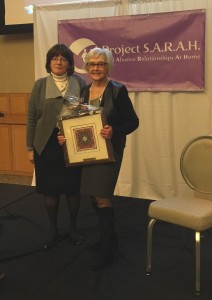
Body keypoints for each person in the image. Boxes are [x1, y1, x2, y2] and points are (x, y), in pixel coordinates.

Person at [59, 47, 139, 269]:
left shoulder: (118, 91)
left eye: (101, 64)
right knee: (94, 196)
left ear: (108, 67)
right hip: (88, 152)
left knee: (102, 197)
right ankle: (111, 240)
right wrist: (65, 136)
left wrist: (114, 130)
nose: (96, 68)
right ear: (86, 68)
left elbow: (133, 122)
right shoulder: (84, 91)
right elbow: (77, 121)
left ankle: (107, 252)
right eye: (92, 64)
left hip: (110, 152)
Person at [26, 44, 86, 249]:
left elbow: (86, 114)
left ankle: (73, 228)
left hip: (72, 144)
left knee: (73, 189)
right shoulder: (40, 85)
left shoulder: (79, 82)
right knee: (50, 191)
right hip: (45, 144)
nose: (59, 61)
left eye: (63, 58)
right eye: (55, 58)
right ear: (49, 62)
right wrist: (29, 148)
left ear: (70, 63)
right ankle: (53, 230)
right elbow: (32, 118)